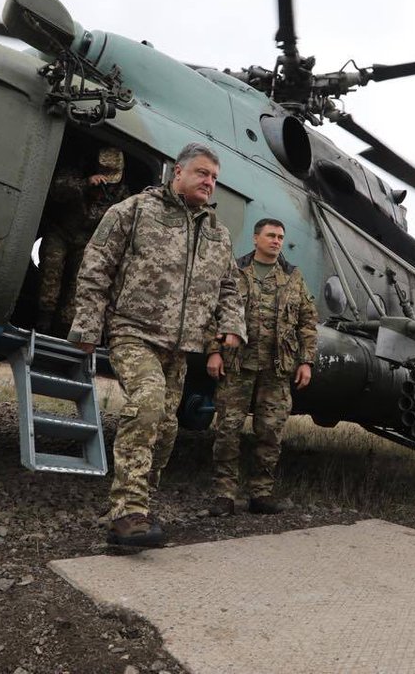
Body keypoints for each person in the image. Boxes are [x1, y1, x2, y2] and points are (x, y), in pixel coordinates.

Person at [68, 142, 245, 547]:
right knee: (146, 408)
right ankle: (126, 514)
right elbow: (96, 267)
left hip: (180, 347)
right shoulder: (133, 211)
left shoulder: (217, 233)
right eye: (202, 173)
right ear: (177, 173)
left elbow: (230, 286)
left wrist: (231, 325)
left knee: (166, 429)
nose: (209, 182)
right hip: (134, 332)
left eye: (214, 178)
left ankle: (139, 505)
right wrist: (88, 326)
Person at [206, 218, 318, 517]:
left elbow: (308, 321)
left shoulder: (293, 277)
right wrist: (213, 352)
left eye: (281, 236)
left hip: (276, 368)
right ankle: (224, 494)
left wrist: (306, 361)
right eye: (271, 235)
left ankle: (261, 493)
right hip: (237, 365)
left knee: (270, 433)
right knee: (227, 430)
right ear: (256, 239)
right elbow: (214, 314)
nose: (277, 241)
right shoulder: (235, 271)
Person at [35, 144, 128, 336]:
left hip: (87, 241)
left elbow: (125, 220)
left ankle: (64, 328)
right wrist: (85, 184)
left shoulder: (120, 193)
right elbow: (56, 190)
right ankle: (43, 318)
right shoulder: (75, 173)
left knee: (79, 284)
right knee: (51, 271)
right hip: (61, 232)